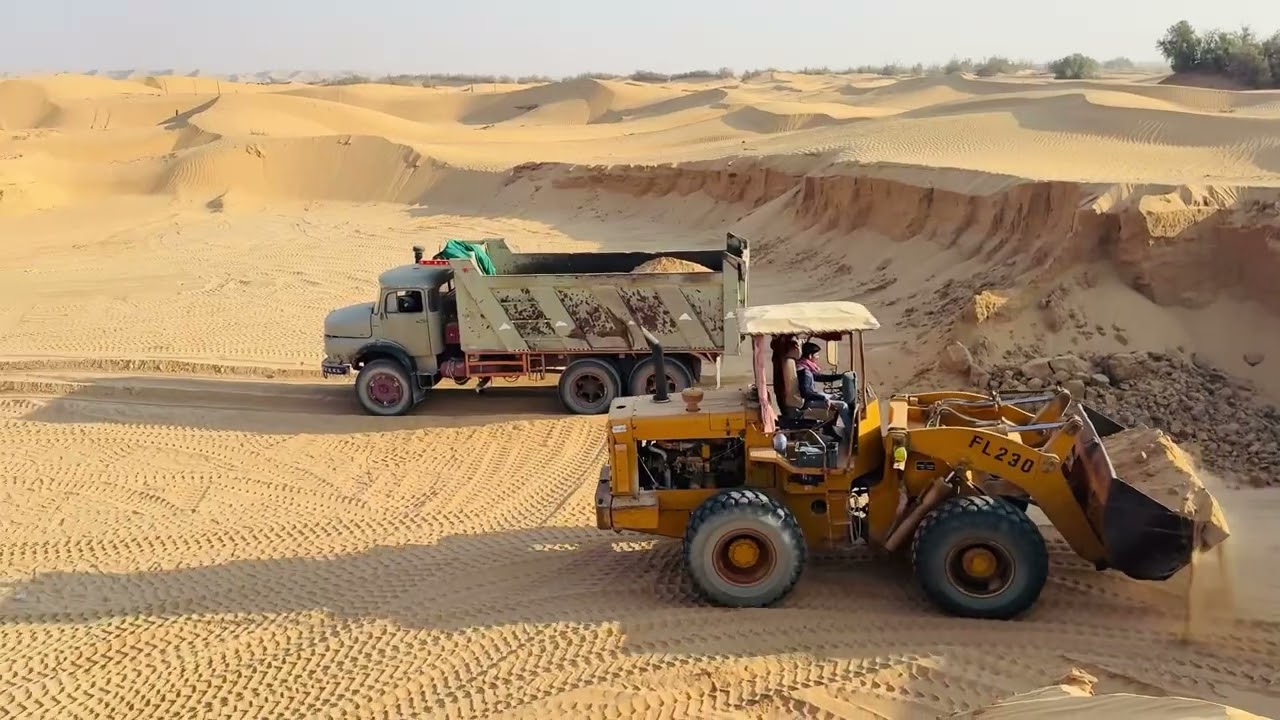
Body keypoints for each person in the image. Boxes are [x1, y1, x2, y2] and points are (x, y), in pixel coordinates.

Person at [796, 341, 851, 437]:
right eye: (816, 355)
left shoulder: (805, 367)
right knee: (843, 406)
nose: (818, 357)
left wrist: (840, 376)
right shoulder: (804, 372)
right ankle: (851, 434)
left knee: (837, 397)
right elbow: (805, 392)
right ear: (810, 356)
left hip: (811, 398)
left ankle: (829, 428)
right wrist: (823, 398)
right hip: (808, 402)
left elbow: (819, 377)